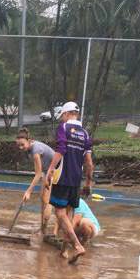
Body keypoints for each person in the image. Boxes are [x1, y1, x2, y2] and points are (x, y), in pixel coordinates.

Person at [45, 101, 94, 264]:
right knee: (69, 215)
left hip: (63, 177)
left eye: (62, 117)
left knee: (60, 213)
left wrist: (50, 170)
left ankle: (78, 246)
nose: (62, 120)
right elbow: (88, 161)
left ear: (66, 114)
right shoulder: (85, 134)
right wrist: (88, 182)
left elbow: (61, 150)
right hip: (76, 180)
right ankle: (64, 251)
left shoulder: (64, 128)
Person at [15, 127, 55, 233]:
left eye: (22, 144)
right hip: (48, 171)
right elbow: (40, 172)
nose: (20, 147)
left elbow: (38, 174)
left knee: (47, 200)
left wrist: (28, 191)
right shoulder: (30, 148)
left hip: (57, 170)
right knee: (43, 197)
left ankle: (44, 231)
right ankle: (43, 229)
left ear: (29, 141)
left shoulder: (36, 151)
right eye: (18, 145)